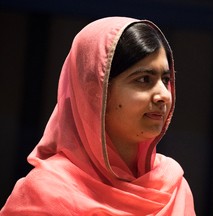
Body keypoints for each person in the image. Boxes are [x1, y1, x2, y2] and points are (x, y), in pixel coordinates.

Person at [1, 16, 196, 215]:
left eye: (166, 79)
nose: (164, 95)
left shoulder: (173, 187)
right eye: (144, 79)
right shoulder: (47, 193)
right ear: (95, 91)